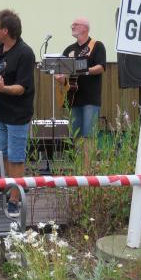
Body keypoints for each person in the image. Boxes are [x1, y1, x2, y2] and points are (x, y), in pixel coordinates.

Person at [0, 9, 36, 217]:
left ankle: (14, 199)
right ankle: (7, 187)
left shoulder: (25, 53)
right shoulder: (0, 46)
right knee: (2, 153)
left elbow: (22, 88)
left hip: (18, 114)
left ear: (5, 30)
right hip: (1, 112)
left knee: (16, 157)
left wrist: (2, 89)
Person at [55, 17, 106, 170]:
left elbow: (101, 67)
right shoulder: (69, 49)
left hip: (90, 98)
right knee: (76, 134)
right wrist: (60, 78)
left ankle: (87, 171)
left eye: (76, 24)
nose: (72, 26)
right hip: (73, 97)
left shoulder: (96, 46)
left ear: (85, 28)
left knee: (89, 134)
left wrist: (85, 70)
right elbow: (61, 71)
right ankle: (79, 169)